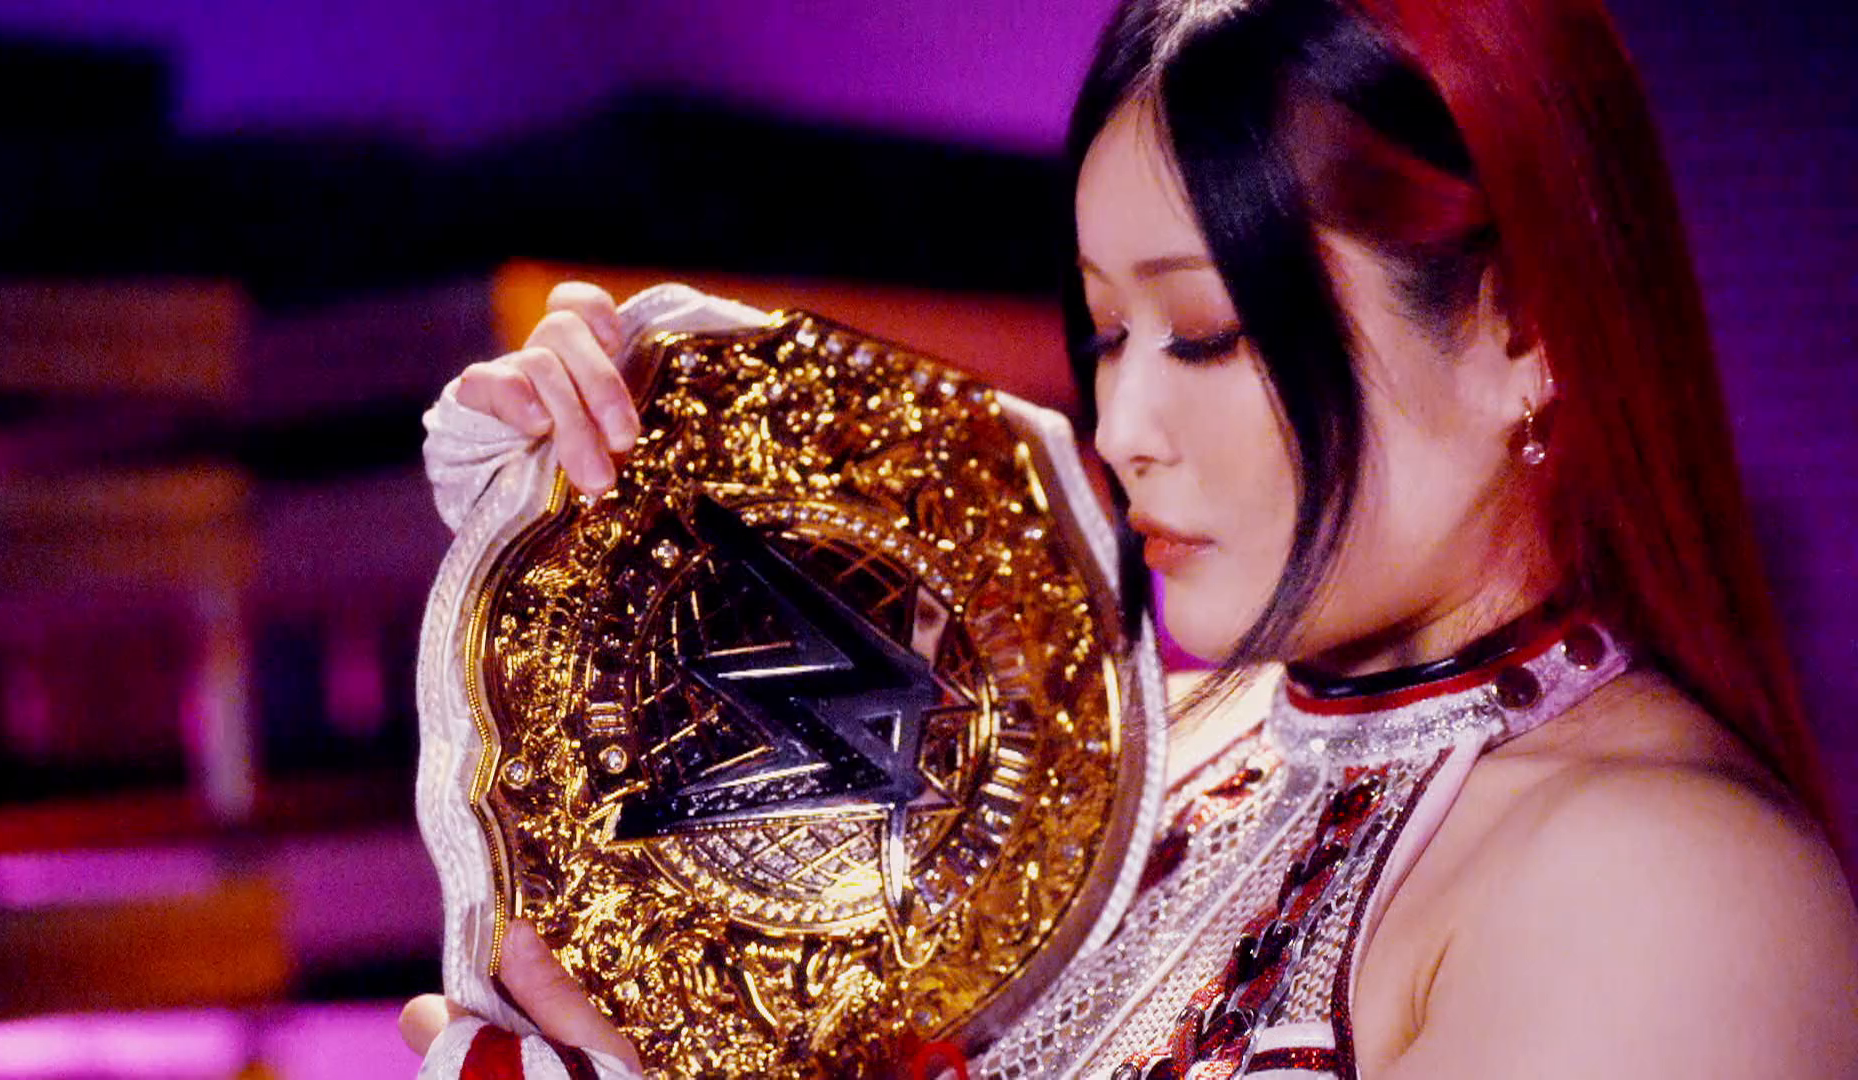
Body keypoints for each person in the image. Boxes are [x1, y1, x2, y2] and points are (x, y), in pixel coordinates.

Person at [401, 0, 1858, 1076]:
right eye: (1104, 332)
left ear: (1521, 328)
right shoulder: (1130, 765)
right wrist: (619, 500)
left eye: (1206, 333)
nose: (1120, 424)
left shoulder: (1669, 896)